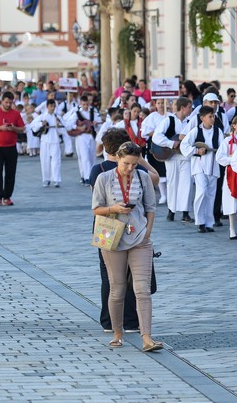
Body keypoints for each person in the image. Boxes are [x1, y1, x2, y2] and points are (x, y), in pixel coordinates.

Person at [91, 142, 162, 351]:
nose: (130, 168)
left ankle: (147, 337)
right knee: (117, 288)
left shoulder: (143, 177)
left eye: (134, 164)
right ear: (117, 159)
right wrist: (113, 208)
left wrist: (147, 232)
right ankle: (117, 333)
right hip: (112, 237)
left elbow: (151, 207)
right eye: (126, 164)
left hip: (139, 237)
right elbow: (96, 209)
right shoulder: (104, 178)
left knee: (142, 289)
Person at [180, 106, 224, 233]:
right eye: (210, 116)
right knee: (202, 192)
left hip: (213, 167)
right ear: (202, 118)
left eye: (213, 116)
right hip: (199, 167)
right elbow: (184, 146)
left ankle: (209, 223)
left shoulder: (218, 131)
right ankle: (200, 221)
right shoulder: (195, 131)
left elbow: (222, 148)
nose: (212, 118)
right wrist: (196, 151)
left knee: (211, 195)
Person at [153, 98, 194, 222]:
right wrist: (170, 143)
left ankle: (185, 212)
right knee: (172, 183)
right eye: (189, 107)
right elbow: (156, 136)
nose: (191, 110)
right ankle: (171, 210)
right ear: (183, 107)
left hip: (186, 157)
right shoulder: (169, 120)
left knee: (187, 184)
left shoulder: (190, 122)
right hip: (171, 157)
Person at [0, 91, 26, 206]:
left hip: (11, 147)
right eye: (6, 102)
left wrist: (14, 128)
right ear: (1, 101)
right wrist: (0, 128)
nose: (8, 105)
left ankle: (7, 196)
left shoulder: (15, 114)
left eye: (10, 103)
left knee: (10, 172)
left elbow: (22, 128)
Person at [64, 95, 102, 187]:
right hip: (81, 137)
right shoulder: (77, 113)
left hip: (91, 136)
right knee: (84, 157)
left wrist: (96, 124)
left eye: (86, 104)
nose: (85, 106)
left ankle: (92, 176)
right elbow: (68, 124)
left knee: (92, 157)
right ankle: (86, 177)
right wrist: (77, 127)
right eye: (83, 104)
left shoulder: (93, 112)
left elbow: (100, 124)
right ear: (81, 104)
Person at [29, 99, 67, 188]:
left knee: (56, 161)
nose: (52, 108)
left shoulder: (57, 117)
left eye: (54, 106)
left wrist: (58, 125)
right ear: (47, 107)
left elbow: (64, 129)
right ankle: (46, 179)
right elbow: (32, 125)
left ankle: (56, 179)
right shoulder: (42, 116)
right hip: (45, 141)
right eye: (51, 106)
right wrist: (41, 124)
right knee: (45, 161)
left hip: (55, 141)